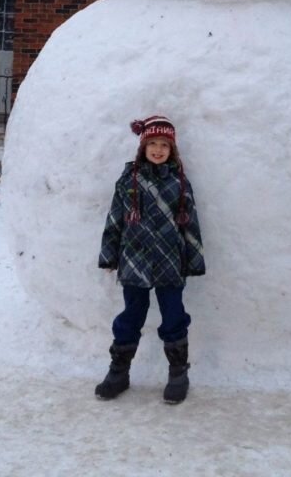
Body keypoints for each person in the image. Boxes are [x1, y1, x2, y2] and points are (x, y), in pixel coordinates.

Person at [96, 115, 205, 403]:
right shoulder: (129, 180)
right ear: (142, 146)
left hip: (170, 262)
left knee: (173, 316)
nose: (158, 150)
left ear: (172, 150)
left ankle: (178, 373)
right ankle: (118, 372)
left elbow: (190, 224)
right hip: (135, 261)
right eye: (152, 143)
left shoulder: (179, 183)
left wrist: (193, 260)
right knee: (131, 315)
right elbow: (114, 220)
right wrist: (109, 255)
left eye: (164, 145)